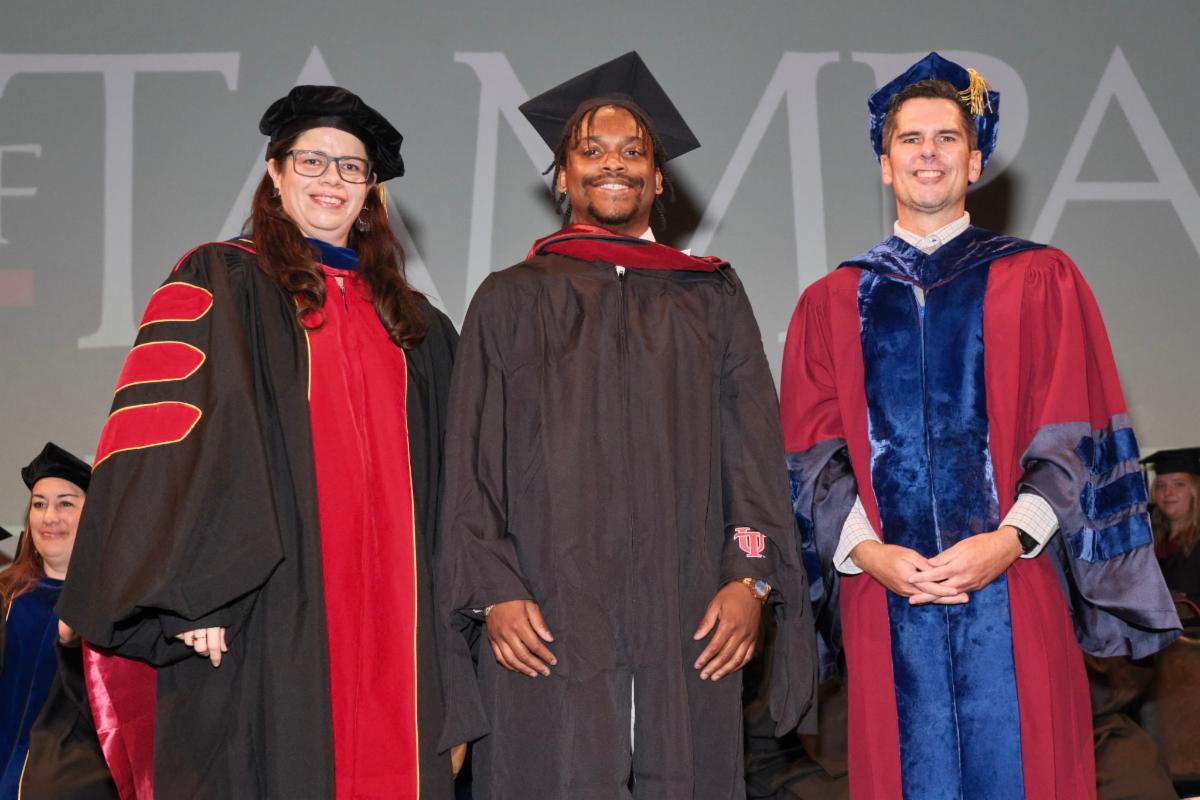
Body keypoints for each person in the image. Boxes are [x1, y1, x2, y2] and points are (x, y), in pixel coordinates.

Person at [780, 52, 1181, 799]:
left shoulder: (1041, 278)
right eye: (909, 139)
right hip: (883, 593)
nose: (927, 153)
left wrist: (1009, 540)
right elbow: (810, 454)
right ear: (883, 163)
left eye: (945, 139)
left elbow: (1078, 430)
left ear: (974, 163)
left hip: (1016, 580)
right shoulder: (831, 301)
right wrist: (868, 552)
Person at [56, 85, 459, 799]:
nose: (331, 180)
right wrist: (189, 595)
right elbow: (171, 443)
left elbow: (457, 483)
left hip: (401, 625)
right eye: (312, 161)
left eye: (351, 168)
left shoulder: (416, 324)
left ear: (371, 192)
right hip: (271, 609)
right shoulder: (222, 280)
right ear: (274, 174)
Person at [436, 51, 815, 799]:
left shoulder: (709, 298)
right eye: (593, 152)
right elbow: (471, 463)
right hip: (547, 616)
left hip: (688, 615)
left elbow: (751, 455)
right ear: (563, 177)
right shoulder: (510, 299)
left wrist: (749, 580)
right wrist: (494, 592)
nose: (615, 166)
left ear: (660, 177)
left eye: (634, 153)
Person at [1, 443, 115, 799]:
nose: (50, 517)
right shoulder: (7, 596)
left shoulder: (113, 606)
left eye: (66, 503)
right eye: (39, 504)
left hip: (70, 783)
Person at [1144, 447, 1200, 606]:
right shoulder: (1147, 539)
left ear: (1195, 490)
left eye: (1179, 484)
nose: (1168, 492)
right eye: (1161, 485)